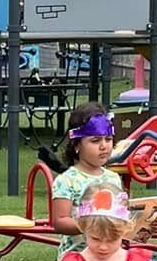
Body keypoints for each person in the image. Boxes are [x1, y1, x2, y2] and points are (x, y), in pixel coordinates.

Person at [49, 104, 126, 253]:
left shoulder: (114, 178)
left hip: (109, 256)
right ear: (77, 145)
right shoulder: (66, 180)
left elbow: (121, 217)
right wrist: (93, 224)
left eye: (108, 139)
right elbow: (59, 222)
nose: (104, 146)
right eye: (95, 141)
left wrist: (144, 224)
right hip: (76, 259)